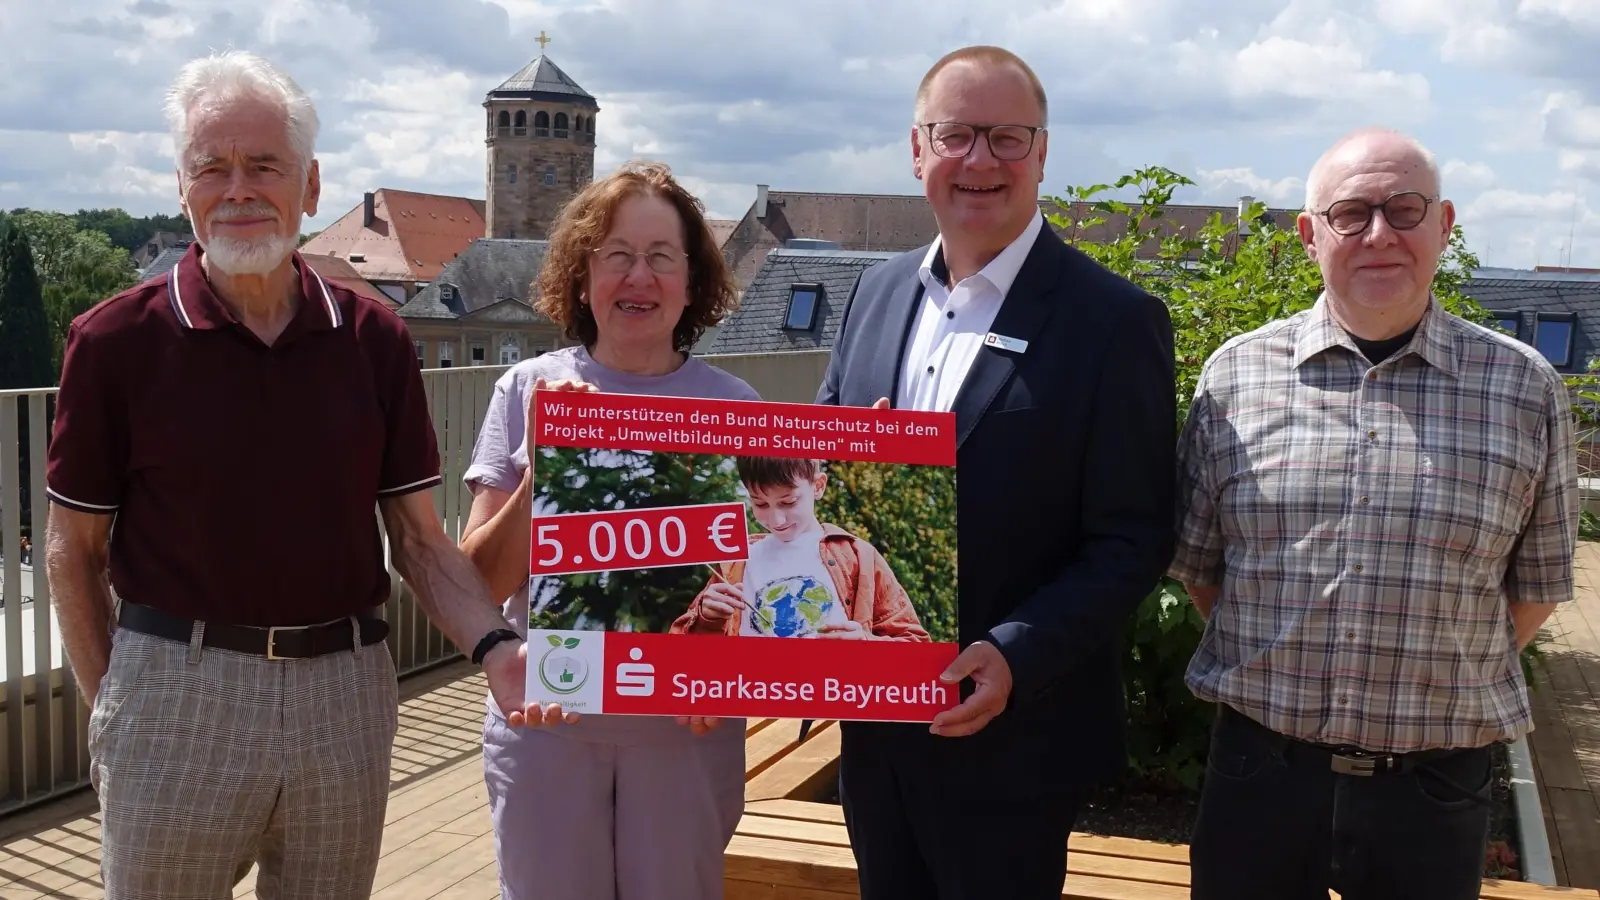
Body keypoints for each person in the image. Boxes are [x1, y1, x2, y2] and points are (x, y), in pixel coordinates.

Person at [42, 50, 531, 899]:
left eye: (264, 165)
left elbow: (418, 542)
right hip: (175, 689)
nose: (238, 189)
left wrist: (497, 648)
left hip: (345, 694)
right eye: (212, 168)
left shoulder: (374, 340)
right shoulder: (115, 341)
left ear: (308, 186)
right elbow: (69, 552)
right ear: (183, 186)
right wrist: (116, 714)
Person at [1169, 127, 1579, 900]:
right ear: (1309, 232)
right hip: (1260, 775)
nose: (1380, 234)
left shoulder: (1524, 389)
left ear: (1445, 224)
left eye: (1405, 208)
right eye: (1351, 213)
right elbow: (1203, 569)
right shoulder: (1235, 374)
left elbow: (1538, 587)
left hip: (1432, 792)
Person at [816, 45, 1177, 899]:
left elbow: (1134, 536)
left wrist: (1016, 654)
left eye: (1007, 138)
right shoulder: (873, 293)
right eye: (956, 135)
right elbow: (816, 476)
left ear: (1043, 154)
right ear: (917, 151)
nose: (980, 160)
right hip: (872, 726)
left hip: (1013, 734)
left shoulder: (1114, 321)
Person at [458, 159, 762, 900]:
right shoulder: (523, 389)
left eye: (662, 258)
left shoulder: (738, 408)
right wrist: (548, 464)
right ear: (582, 273)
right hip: (550, 720)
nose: (639, 277)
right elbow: (479, 584)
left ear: (691, 282)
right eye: (617, 256)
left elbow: (760, 585)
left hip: (686, 731)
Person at [671, 455, 931, 641]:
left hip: (833, 711)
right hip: (755, 707)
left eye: (788, 502)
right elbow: (683, 654)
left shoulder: (858, 556)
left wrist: (869, 644)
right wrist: (706, 618)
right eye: (760, 504)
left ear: (818, 486)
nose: (776, 520)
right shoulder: (735, 561)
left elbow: (915, 644)